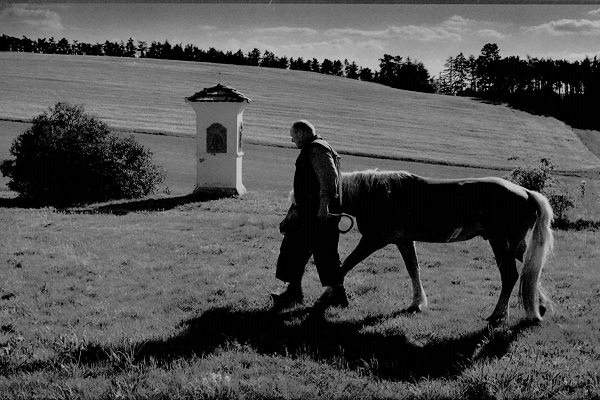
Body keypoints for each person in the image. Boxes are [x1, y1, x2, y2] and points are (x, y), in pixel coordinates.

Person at [271, 120, 348, 313]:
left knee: (326, 254)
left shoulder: (316, 149)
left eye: (293, 135)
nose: (291, 140)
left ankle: (337, 297)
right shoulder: (316, 147)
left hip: (317, 214)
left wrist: (324, 206)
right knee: (296, 250)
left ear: (301, 133)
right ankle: (294, 292)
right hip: (308, 213)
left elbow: (329, 178)